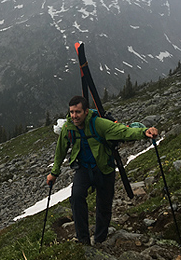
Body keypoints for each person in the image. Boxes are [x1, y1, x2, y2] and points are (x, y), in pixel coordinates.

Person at [46, 95, 158, 245]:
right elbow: (60, 151)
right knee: (77, 198)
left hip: (104, 168)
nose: (74, 116)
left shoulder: (98, 124)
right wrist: (54, 173)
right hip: (83, 169)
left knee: (104, 205)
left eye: (78, 112)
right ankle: (83, 240)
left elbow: (122, 131)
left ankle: (100, 239)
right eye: (72, 112)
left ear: (86, 111)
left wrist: (144, 132)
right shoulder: (68, 127)